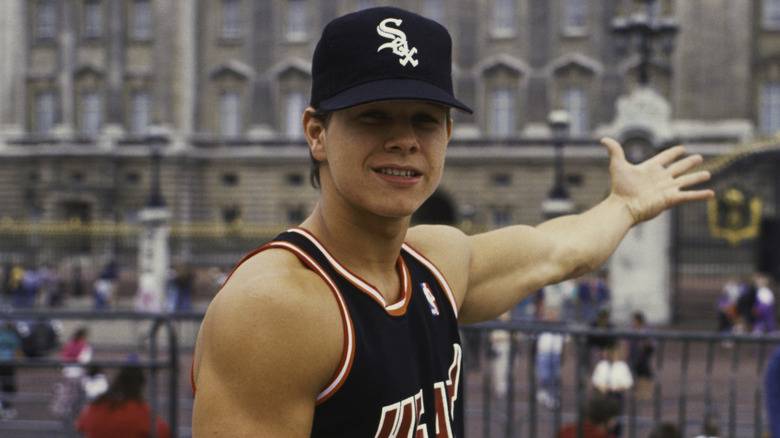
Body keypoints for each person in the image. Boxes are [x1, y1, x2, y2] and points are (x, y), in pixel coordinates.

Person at [191, 6, 712, 436]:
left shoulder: (435, 259)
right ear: (316, 132)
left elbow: (559, 249)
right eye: (374, 116)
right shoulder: (272, 309)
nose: (405, 140)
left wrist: (625, 205)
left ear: (448, 134)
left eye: (424, 119)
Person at [76, 365, 170, 438]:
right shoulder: (138, 410)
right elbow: (163, 432)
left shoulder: (99, 405)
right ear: (140, 386)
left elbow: (80, 426)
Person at [627, 311, 654, 400]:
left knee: (645, 374)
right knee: (635, 374)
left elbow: (651, 343)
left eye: (634, 320)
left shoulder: (645, 330)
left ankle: (646, 393)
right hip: (634, 355)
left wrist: (644, 344)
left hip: (643, 356)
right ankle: (639, 393)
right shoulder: (632, 329)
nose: (633, 322)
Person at [0, 322, 20, 419]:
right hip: (8, 363)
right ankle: (6, 408)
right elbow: (17, 348)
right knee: (7, 386)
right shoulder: (12, 335)